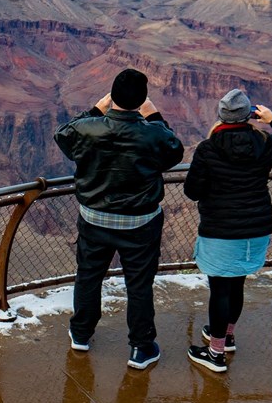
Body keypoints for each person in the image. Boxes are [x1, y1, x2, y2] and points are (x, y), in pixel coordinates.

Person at [54, 68, 184, 369]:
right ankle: (141, 347)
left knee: (88, 276)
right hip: (140, 223)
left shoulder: (88, 128)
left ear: (111, 97)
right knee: (139, 284)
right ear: (141, 101)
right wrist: (154, 116)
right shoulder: (153, 134)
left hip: (94, 220)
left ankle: (81, 334)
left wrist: (96, 108)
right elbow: (173, 151)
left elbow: (63, 135)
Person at [184, 88, 272, 373]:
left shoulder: (208, 148)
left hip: (220, 229)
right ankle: (227, 336)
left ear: (220, 116)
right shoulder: (264, 141)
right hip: (256, 228)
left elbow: (192, 191)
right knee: (236, 283)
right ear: (248, 115)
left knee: (219, 290)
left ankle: (215, 355)